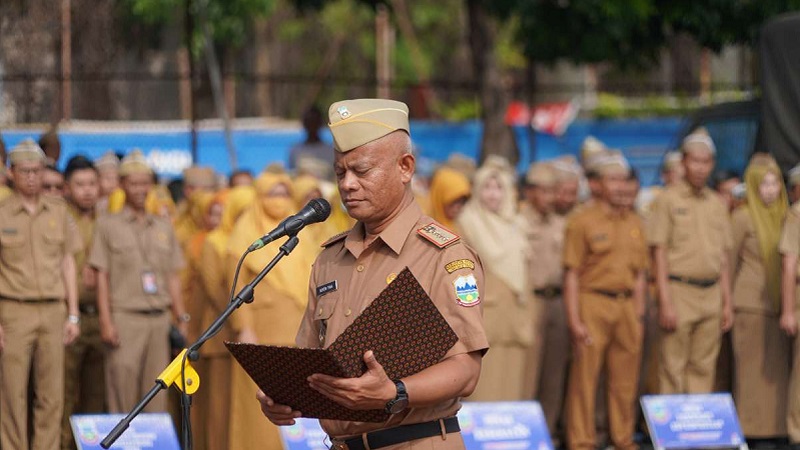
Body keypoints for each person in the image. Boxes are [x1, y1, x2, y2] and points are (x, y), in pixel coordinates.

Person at [258, 99, 488, 449]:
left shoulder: (444, 256)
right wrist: (285, 395)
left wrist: (393, 392)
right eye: (339, 173)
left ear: (406, 167)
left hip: (415, 441)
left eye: (362, 171)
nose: (347, 184)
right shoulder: (329, 259)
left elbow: (466, 372)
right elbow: (313, 362)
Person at [89, 150, 188, 413]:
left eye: (145, 183)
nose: (140, 189)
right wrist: (106, 322)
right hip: (125, 317)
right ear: (122, 185)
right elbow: (102, 276)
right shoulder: (108, 225)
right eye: (133, 183)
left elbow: (172, 276)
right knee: (122, 392)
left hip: (159, 319)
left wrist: (181, 317)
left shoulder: (163, 226)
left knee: (157, 394)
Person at [225, 171, 318, 449]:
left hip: (298, 334)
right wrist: (245, 327)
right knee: (259, 411)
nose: (279, 200)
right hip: (260, 337)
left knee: (298, 411)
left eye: (284, 193)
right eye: (272, 193)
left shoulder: (303, 232)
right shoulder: (246, 233)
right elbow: (237, 286)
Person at [562, 153, 648, 450]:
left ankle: (622, 439)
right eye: (612, 179)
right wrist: (574, 319)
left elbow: (639, 273)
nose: (620, 186)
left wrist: (638, 312)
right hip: (592, 302)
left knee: (625, 379)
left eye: (623, 180)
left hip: (626, 306)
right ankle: (582, 442)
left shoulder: (635, 221)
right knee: (585, 379)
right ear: (597, 185)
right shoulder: (581, 221)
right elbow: (571, 274)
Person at [0, 139, 81, 450]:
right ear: (11, 172)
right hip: (14, 309)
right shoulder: (3, 212)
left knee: (52, 393)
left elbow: (67, 263)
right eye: (25, 171)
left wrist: (72, 312)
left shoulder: (58, 211)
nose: (32, 177)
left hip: (53, 309)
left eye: (36, 171)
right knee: (12, 392)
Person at [647, 128, 734, 394]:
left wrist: (727, 302)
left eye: (705, 162)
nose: (700, 168)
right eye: (694, 161)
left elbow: (723, 257)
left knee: (704, 365)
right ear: (684, 162)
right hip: (679, 290)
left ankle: (696, 431)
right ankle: (672, 433)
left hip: (711, 293)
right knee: (672, 365)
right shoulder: (667, 200)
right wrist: (664, 300)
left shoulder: (717, 203)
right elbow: (658, 253)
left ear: (712, 165)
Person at [457, 156, 535, 401]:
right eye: (487, 187)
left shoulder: (517, 224)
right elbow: (461, 272)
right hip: (484, 312)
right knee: (485, 380)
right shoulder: (468, 221)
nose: (493, 194)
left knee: (514, 377)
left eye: (499, 187)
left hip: (516, 312)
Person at [729, 154, 790, 440]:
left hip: (780, 306)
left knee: (776, 375)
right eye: (763, 183)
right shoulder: (742, 217)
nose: (770, 189)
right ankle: (750, 431)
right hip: (750, 305)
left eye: (774, 182)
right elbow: (727, 263)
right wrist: (725, 304)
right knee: (750, 374)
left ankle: (775, 430)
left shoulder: (787, 216)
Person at [196, 186, 255, 450]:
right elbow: (215, 291)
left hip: (244, 337)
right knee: (219, 409)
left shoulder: (251, 242)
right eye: (240, 212)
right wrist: (240, 319)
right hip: (222, 336)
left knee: (241, 410)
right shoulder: (215, 241)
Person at [61, 155, 106, 450]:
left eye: (92, 183)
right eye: (80, 184)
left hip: (100, 318)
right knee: (63, 394)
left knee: (96, 397)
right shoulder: (59, 220)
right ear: (67, 187)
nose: (87, 190)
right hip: (67, 317)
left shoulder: (108, 221)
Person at [521, 162, 569, 436]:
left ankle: (547, 432)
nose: (551, 197)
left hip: (558, 301)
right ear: (530, 192)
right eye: (545, 191)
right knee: (528, 372)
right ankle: (524, 433)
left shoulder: (561, 222)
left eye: (554, 191)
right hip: (532, 300)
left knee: (554, 372)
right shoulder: (518, 221)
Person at [288, 106, 336, 179]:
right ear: (304, 124)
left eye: (314, 122)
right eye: (309, 122)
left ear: (320, 123)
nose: (312, 126)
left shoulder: (331, 151)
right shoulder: (295, 150)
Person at [428, 167, 471, 232]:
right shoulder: (421, 227)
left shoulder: (461, 229)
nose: (458, 207)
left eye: (463, 201)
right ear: (440, 197)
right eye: (454, 201)